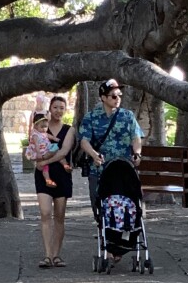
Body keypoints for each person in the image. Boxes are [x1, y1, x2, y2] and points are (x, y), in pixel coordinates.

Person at [78, 79, 142, 220]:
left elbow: (136, 138)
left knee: (128, 199)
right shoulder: (91, 117)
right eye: (113, 96)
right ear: (103, 98)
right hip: (99, 169)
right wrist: (94, 155)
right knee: (98, 203)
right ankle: (103, 230)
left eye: (119, 95)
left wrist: (137, 153)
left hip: (123, 168)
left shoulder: (127, 116)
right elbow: (84, 141)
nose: (117, 98)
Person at [32, 95, 75, 268]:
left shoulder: (69, 130)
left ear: (65, 110)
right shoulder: (41, 126)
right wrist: (40, 161)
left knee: (59, 216)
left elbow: (64, 151)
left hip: (61, 174)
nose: (58, 111)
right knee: (44, 212)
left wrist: (45, 161)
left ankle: (57, 255)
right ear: (50, 109)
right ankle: (47, 255)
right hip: (43, 174)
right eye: (55, 107)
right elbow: (33, 144)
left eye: (61, 108)